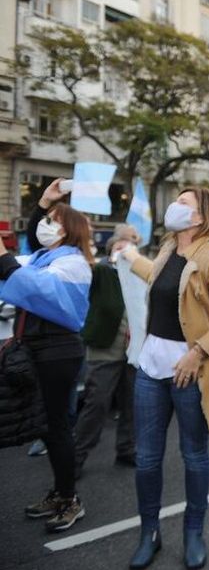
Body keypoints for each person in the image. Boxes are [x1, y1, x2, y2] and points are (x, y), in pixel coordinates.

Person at [121, 186, 209, 570]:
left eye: (183, 203)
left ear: (200, 217)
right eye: (175, 200)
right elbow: (162, 283)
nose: (175, 207)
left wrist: (198, 352)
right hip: (150, 368)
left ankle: (194, 532)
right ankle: (150, 533)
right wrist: (129, 256)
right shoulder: (166, 250)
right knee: (146, 460)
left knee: (193, 456)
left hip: (190, 373)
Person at [0, 179, 92, 532]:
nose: (45, 225)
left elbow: (29, 285)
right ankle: (59, 492)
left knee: (56, 427)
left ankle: (70, 500)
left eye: (53, 220)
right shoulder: (44, 257)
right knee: (46, 426)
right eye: (46, 219)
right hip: (37, 349)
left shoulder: (73, 263)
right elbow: (26, 254)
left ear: (70, 232)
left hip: (58, 352)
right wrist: (42, 203)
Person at [73, 225, 141, 479]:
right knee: (97, 402)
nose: (125, 250)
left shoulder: (139, 273)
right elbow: (88, 272)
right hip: (105, 347)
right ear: (111, 249)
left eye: (131, 246)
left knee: (131, 403)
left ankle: (127, 448)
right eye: (120, 246)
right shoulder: (102, 271)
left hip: (133, 350)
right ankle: (76, 455)